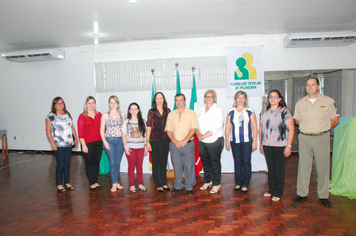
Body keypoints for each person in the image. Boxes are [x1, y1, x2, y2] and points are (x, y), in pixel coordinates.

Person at [292, 77, 339, 207]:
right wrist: (309, 129)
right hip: (305, 138)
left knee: (323, 166)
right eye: (308, 85)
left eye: (313, 85)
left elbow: (335, 120)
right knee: (303, 166)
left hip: (321, 137)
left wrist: (321, 129)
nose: (310, 87)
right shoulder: (300, 103)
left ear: (318, 86)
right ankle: (301, 193)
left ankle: (323, 195)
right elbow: (297, 120)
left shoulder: (328, 101)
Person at [259, 90, 295, 201]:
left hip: (280, 144)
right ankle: (271, 189)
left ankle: (278, 192)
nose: (273, 99)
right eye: (271, 96)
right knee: (271, 168)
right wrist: (261, 142)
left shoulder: (284, 111)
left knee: (279, 169)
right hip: (267, 144)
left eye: (275, 97)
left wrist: (288, 146)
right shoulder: (264, 111)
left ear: (280, 99)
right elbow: (261, 128)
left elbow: (292, 128)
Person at [165, 93, 199, 195]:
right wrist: (175, 141)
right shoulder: (171, 115)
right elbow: (168, 130)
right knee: (177, 166)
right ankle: (178, 186)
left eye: (181, 100)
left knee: (189, 166)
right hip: (174, 145)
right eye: (177, 100)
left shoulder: (191, 113)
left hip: (188, 144)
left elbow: (194, 128)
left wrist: (185, 140)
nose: (179, 102)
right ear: (175, 102)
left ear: (185, 101)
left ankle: (189, 187)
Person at [225, 90, 257, 193]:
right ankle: (238, 182)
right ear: (236, 99)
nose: (241, 100)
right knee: (237, 162)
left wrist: (255, 141)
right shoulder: (231, 112)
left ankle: (246, 183)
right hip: (235, 141)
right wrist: (227, 140)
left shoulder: (250, 111)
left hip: (247, 141)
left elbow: (254, 126)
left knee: (246, 162)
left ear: (245, 99)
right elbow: (228, 126)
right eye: (239, 98)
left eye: (243, 98)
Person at [45, 97, 78, 192]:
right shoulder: (51, 115)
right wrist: (52, 143)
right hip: (58, 144)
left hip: (68, 143)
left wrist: (75, 138)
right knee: (61, 163)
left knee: (67, 163)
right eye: (58, 103)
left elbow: (72, 127)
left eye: (62, 103)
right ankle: (59, 183)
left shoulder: (67, 114)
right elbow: (47, 131)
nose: (60, 105)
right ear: (54, 105)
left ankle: (67, 182)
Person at [196, 90, 224, 194]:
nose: (208, 98)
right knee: (205, 163)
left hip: (214, 140)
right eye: (206, 96)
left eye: (211, 96)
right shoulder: (201, 110)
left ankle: (216, 183)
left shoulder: (218, 109)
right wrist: (198, 134)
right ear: (204, 98)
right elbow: (196, 124)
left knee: (215, 163)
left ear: (214, 98)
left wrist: (204, 135)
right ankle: (207, 181)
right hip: (202, 141)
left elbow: (217, 126)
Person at [146, 92, 171, 192]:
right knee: (156, 162)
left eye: (161, 98)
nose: (159, 100)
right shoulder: (151, 112)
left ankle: (164, 182)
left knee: (163, 161)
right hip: (154, 140)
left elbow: (170, 125)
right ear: (154, 100)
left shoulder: (168, 111)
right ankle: (158, 184)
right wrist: (147, 142)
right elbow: (148, 127)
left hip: (165, 140)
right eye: (157, 98)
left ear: (164, 100)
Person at [100, 95, 125, 193]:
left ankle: (116, 181)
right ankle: (114, 183)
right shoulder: (105, 115)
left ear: (118, 103)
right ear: (109, 104)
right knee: (112, 163)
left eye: (115, 102)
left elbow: (124, 129)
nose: (113, 104)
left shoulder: (122, 114)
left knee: (117, 163)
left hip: (120, 141)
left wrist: (124, 141)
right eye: (111, 102)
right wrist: (104, 141)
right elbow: (102, 129)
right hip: (109, 141)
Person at [77, 96, 103, 191]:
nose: (91, 105)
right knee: (89, 163)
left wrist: (103, 141)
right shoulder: (82, 116)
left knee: (96, 162)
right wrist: (83, 145)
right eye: (89, 103)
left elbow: (102, 129)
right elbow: (80, 132)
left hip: (99, 143)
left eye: (93, 103)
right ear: (86, 105)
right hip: (87, 144)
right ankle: (91, 182)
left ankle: (95, 181)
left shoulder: (99, 115)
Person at [122, 102, 148, 193]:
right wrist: (125, 146)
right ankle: (132, 185)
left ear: (138, 110)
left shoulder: (143, 122)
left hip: (140, 147)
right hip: (130, 148)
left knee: (139, 166)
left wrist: (145, 146)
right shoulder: (126, 122)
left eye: (135, 108)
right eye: (132, 109)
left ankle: (140, 184)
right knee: (131, 166)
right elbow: (124, 135)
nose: (134, 110)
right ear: (129, 111)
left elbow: (145, 135)